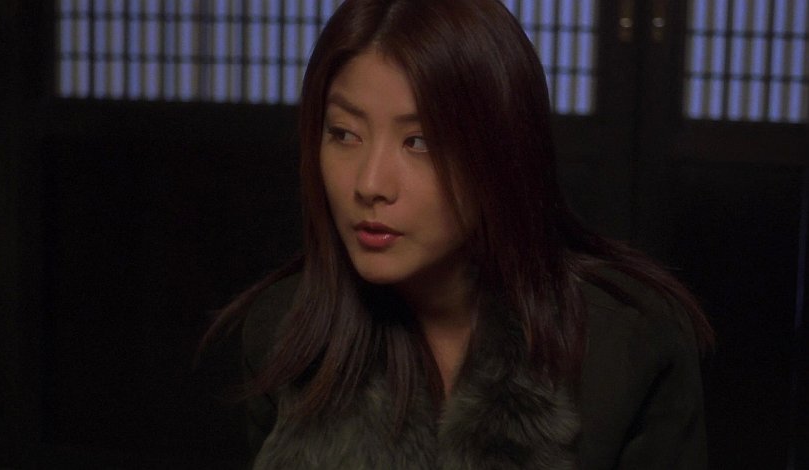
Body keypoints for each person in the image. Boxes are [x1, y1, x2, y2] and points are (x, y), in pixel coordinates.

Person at [207, 0, 714, 468]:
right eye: (344, 133)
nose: (369, 184)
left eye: (419, 141)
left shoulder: (629, 342)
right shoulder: (286, 331)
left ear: (502, 151)